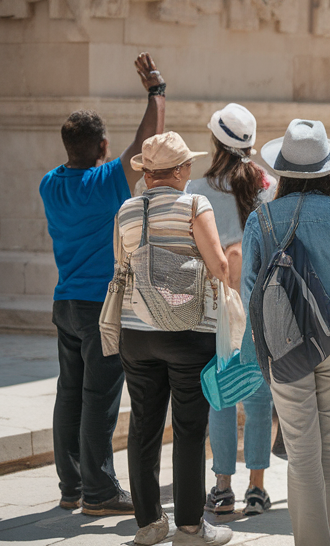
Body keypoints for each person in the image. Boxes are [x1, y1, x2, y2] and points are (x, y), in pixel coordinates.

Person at [39, 52, 164, 517]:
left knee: (67, 394)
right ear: (104, 147)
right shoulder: (106, 180)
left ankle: (71, 486)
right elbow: (146, 142)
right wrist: (157, 92)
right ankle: (99, 491)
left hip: (65, 302)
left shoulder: (50, 184)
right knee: (99, 398)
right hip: (101, 307)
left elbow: (126, 146)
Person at [242, 120, 330, 546]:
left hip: (284, 345)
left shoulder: (261, 217)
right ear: (326, 169)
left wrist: (265, 343)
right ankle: (320, 535)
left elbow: (249, 289)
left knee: (301, 453)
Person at [109, 132, 233, 546]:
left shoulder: (126, 211)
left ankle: (148, 524)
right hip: (186, 332)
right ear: (179, 170)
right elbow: (218, 264)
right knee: (188, 429)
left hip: (136, 333)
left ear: (147, 172)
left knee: (143, 426)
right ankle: (192, 527)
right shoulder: (195, 204)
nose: (190, 171)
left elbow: (121, 268)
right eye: (187, 166)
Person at [188, 104, 277, 517]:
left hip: (214, 308)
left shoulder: (195, 191)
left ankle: (222, 487)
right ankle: (257, 489)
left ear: (214, 142)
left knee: (220, 397)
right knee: (259, 398)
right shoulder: (269, 186)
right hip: (258, 305)